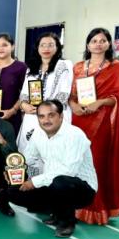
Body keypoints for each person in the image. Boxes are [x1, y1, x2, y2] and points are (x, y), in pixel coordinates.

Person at [68, 27, 119, 225]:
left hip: (103, 122)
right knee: (75, 162)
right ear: (88, 45)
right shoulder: (78, 67)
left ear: (108, 44)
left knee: (96, 163)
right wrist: (73, 105)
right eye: (94, 41)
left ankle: (95, 208)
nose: (98, 44)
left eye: (102, 40)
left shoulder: (116, 67)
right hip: (79, 120)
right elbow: (70, 94)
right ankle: (73, 206)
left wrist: (100, 102)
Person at [8, 101, 97, 238]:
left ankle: (67, 222)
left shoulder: (75, 135)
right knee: (13, 192)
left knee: (60, 182)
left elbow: (68, 171)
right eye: (41, 116)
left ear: (61, 116)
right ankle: (56, 211)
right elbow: (28, 158)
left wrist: (34, 182)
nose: (46, 120)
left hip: (81, 189)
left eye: (51, 115)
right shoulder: (38, 133)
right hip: (52, 184)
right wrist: (13, 172)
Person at [17, 33, 74, 166]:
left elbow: (63, 93)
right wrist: (24, 105)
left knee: (53, 153)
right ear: (37, 48)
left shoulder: (64, 65)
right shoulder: (31, 67)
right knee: (30, 153)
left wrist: (45, 110)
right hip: (32, 115)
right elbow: (24, 92)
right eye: (42, 45)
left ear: (57, 47)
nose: (46, 48)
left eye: (50, 45)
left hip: (53, 115)